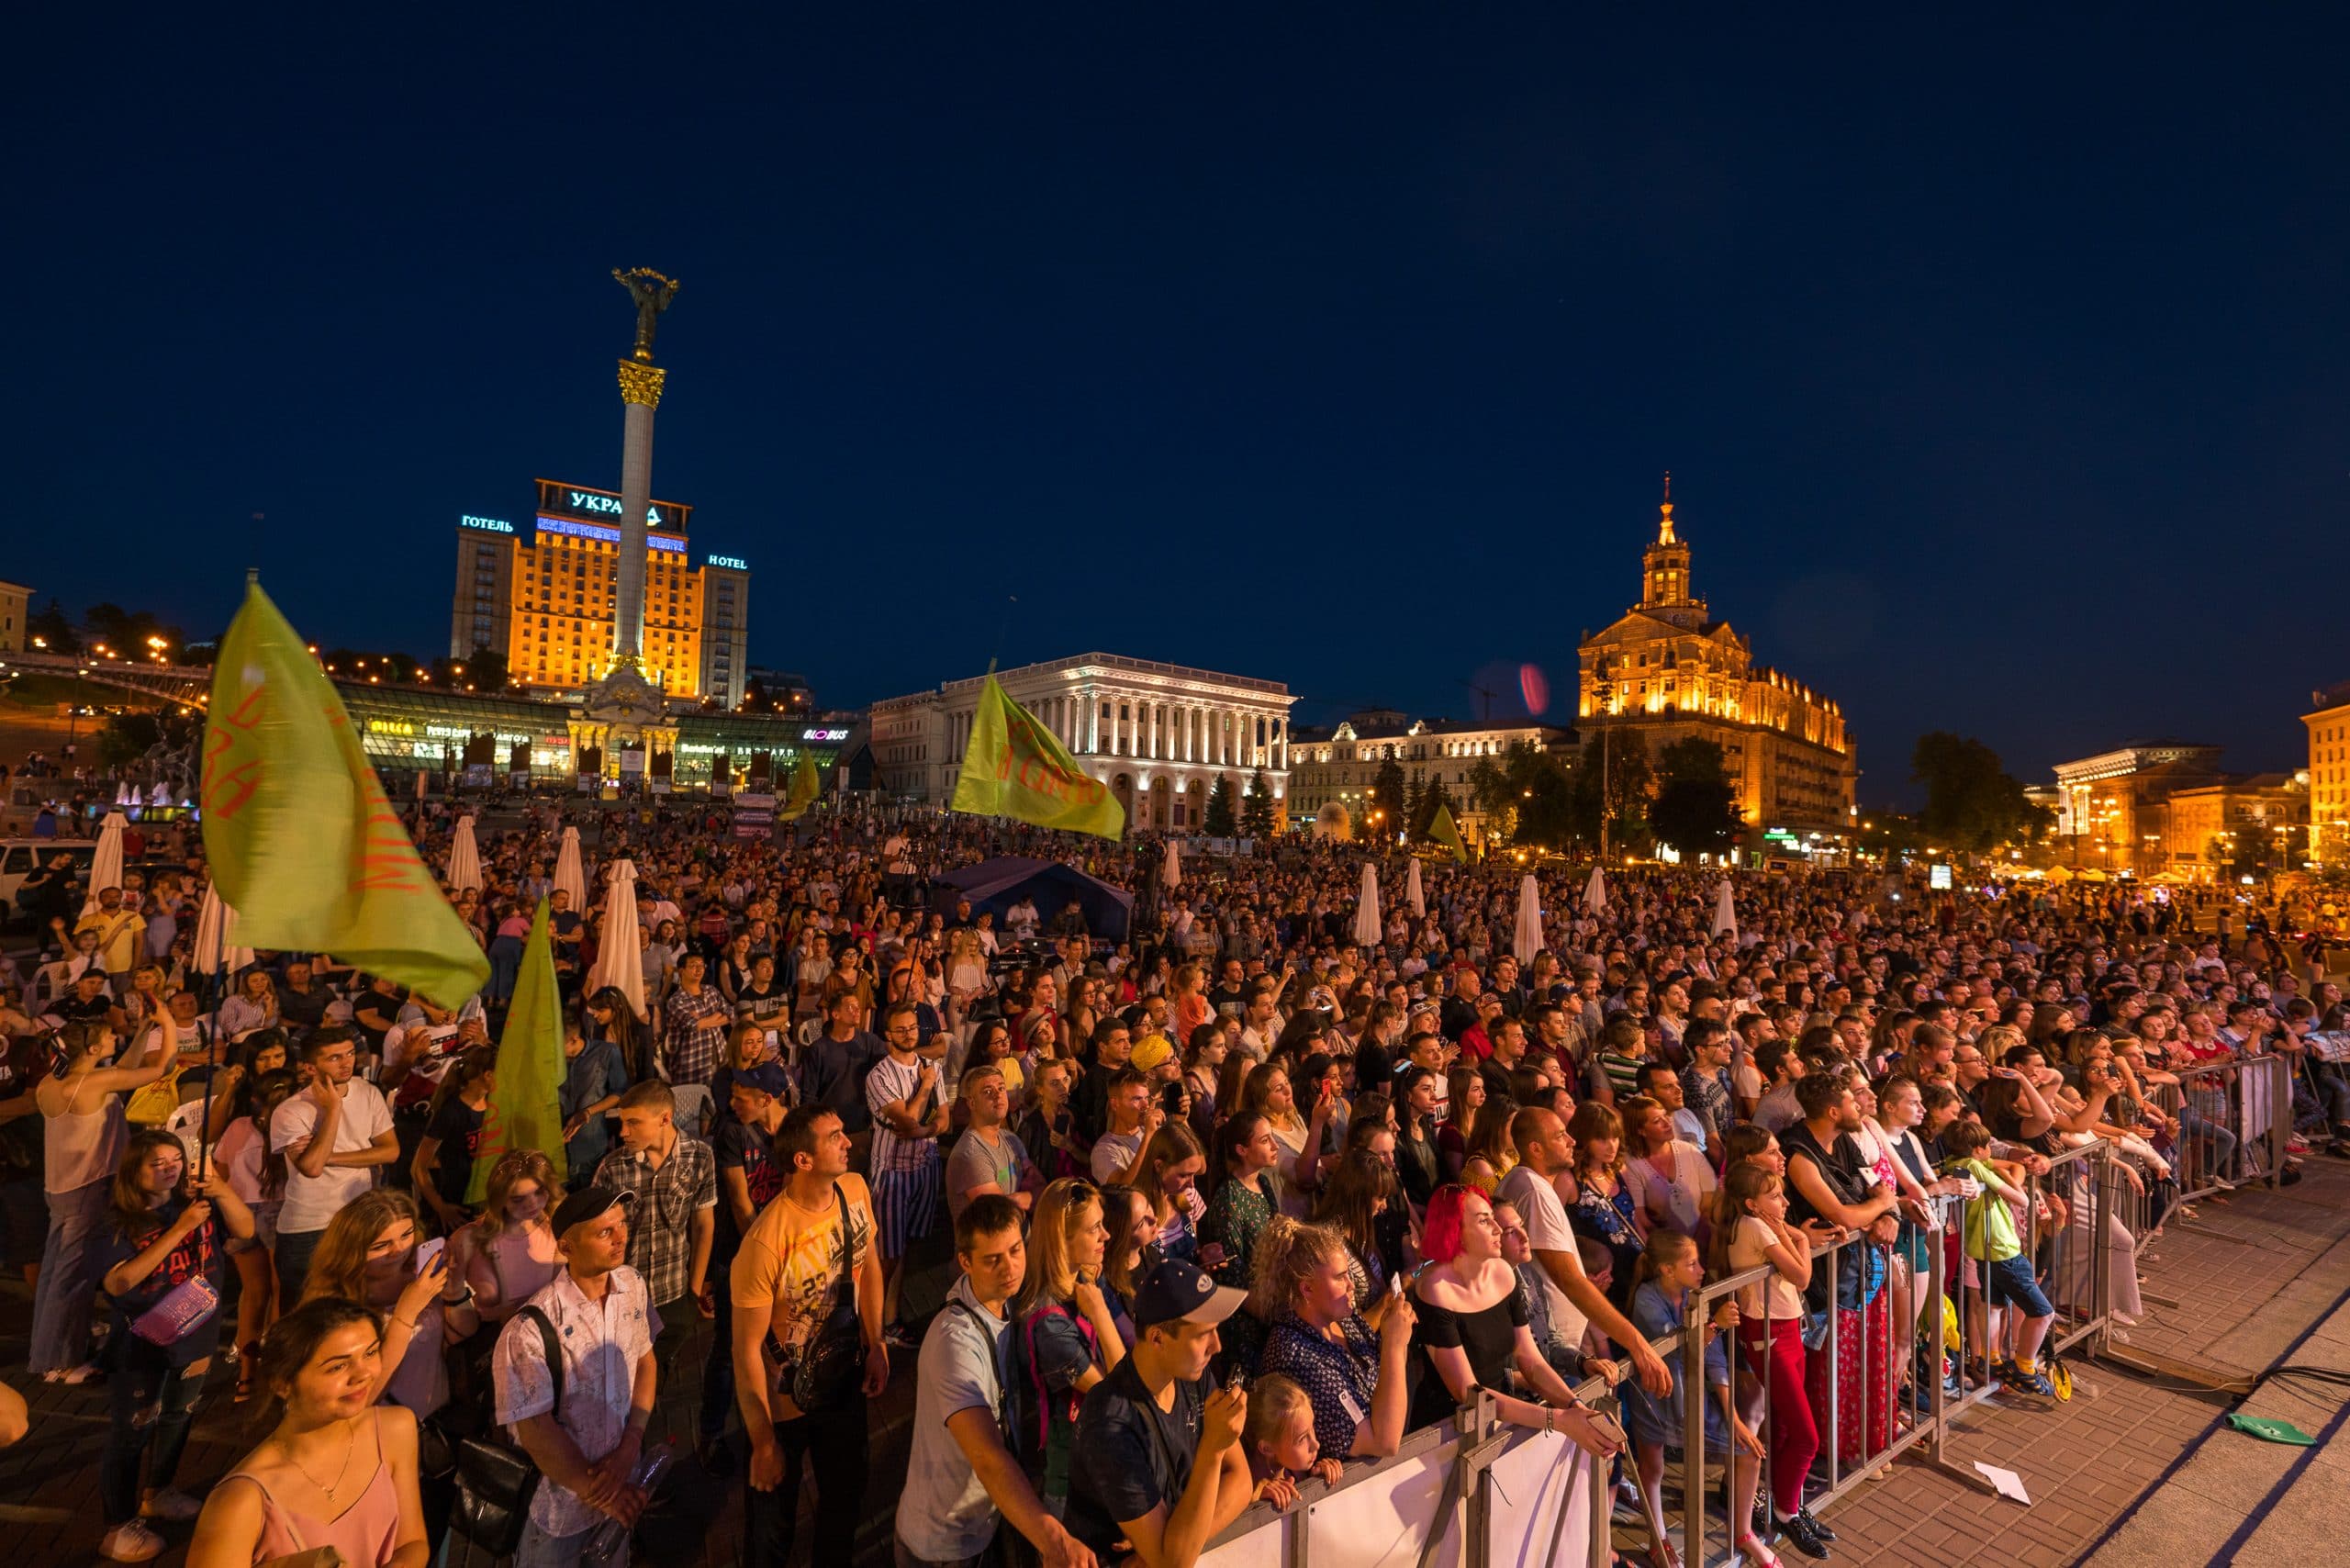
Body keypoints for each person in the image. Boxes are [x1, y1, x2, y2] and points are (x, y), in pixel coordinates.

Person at [894, 1193, 1099, 1568]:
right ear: (965, 1262)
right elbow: (987, 1456)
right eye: (992, 1260)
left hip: (981, 1522)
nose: (1010, 1267)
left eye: (1016, 1250)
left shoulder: (1003, 1301)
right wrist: (1054, 1540)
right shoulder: (955, 1345)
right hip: (943, 1546)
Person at [732, 1106, 888, 1568]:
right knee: (772, 1528)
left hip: (843, 1380)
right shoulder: (765, 1242)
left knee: (844, 1499)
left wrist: (876, 1342)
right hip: (785, 1403)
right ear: (803, 1160)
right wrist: (763, 1440)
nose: (848, 1142)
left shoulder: (854, 1190)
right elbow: (745, 1350)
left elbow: (869, 1266)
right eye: (834, 1137)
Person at [94, 1128, 255, 1562]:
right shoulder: (118, 1220)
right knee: (133, 1430)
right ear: (134, 1170)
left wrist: (220, 1190)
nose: (170, 1168)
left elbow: (245, 1229)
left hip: (196, 1331)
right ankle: (118, 1525)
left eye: (176, 1159)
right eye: (157, 1163)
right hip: (142, 1342)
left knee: (179, 1414)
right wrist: (180, 1229)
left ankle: (159, 1491)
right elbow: (120, 1282)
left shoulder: (198, 1203)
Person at [187, 1298, 431, 1568]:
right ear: (283, 1385)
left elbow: (413, 1543)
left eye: (370, 1353)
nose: (363, 1374)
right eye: (337, 1366)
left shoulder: (394, 1429)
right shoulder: (240, 1500)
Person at [493, 1184, 661, 1567]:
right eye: (605, 1232)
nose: (621, 1237)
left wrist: (630, 1446)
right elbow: (536, 1431)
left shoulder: (633, 1285)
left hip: (622, 1486)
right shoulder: (530, 1329)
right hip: (561, 1514)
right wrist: (601, 1492)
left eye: (622, 1224)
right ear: (567, 1247)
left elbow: (646, 1362)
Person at [1405, 1185, 1628, 1456]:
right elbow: (1466, 1391)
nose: (1497, 1229)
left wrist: (1576, 1408)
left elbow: (1531, 1360)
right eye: (1484, 1221)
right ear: (1455, 1230)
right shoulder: (1435, 1289)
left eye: (1493, 1218)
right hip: (1446, 1435)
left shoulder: (1503, 1273)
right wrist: (1558, 1419)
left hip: (1499, 1420)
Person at [1065, 1257, 1257, 1568]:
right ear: (1157, 1338)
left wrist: (1178, 1544)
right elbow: (1174, 1563)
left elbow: (1241, 1480)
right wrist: (1212, 1449)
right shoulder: (1110, 1422)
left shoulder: (1192, 1374)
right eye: (1203, 1334)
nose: (1217, 1346)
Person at [1493, 1107, 1673, 1396]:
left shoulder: (1528, 1183)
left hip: (1555, 1352)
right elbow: (1569, 1280)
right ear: (1536, 1148)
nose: (1572, 1141)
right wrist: (1637, 1344)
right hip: (1546, 1359)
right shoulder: (1534, 1190)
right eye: (1560, 1136)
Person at [1618, 1229, 1768, 1568]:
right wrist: (1714, 1326)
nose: (1701, 1270)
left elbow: (1714, 1360)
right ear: (1667, 1270)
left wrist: (1734, 1419)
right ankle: (1658, 1540)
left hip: (1686, 1397)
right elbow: (1676, 1349)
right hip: (1653, 1396)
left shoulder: (1691, 1296)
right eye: (1692, 1264)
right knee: (1652, 1468)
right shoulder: (1647, 1299)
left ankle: (1743, 1532)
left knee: (1748, 1452)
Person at [30, 1019, 169, 1380]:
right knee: (73, 1279)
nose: (113, 1036)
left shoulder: (52, 1082)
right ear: (92, 1049)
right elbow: (160, 1068)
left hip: (60, 1188)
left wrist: (144, 1031)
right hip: (87, 1189)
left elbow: (123, 1068)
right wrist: (167, 1024)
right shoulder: (91, 1083)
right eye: (107, 1035)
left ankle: (47, 1354)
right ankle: (61, 1363)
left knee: (54, 1275)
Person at [1714, 1162, 1830, 1560]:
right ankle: (1786, 1511)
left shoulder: (1764, 1224)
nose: (1784, 1202)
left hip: (1787, 1329)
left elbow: (1797, 1244)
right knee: (1806, 1435)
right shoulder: (1753, 1226)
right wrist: (1796, 1237)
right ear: (1751, 1203)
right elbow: (1801, 1276)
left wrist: (1789, 1231)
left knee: (1782, 1427)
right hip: (1769, 1336)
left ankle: (1788, 1503)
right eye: (1775, 1196)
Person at [1011, 1177, 1129, 1518]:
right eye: (1094, 1229)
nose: (1107, 1235)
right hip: (1071, 1485)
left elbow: (1129, 1340)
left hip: (1101, 1460)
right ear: (1062, 1238)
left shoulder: (1086, 1279)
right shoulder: (1049, 1324)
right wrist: (1100, 1312)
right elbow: (1121, 1388)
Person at [1253, 1219, 1416, 1468]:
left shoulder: (1342, 1319)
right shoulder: (1296, 1356)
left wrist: (1397, 1336)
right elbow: (1383, 1442)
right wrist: (1394, 1344)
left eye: (1348, 1274)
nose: (1351, 1285)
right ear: (1307, 1289)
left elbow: (1388, 1386)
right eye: (1340, 1277)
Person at [594, 1080, 717, 1398]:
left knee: (657, 1379)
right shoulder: (613, 1167)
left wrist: (693, 1292)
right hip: (624, 1299)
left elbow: (703, 1225)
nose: (623, 1132)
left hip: (674, 1294)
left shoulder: (699, 1157)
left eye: (633, 1122)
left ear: (665, 1118)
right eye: (622, 1122)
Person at [702, 1060, 791, 1469]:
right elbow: (740, 1204)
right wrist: (765, 1257)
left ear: (766, 1099)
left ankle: (778, 1422)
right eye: (733, 1095)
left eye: (742, 1097)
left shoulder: (793, 1128)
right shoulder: (732, 1132)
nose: (733, 1102)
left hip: (783, 1252)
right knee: (730, 1346)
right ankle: (711, 1434)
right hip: (738, 1253)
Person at [272, 1025, 399, 1308]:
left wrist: (329, 1156)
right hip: (309, 1227)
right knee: (305, 1316)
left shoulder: (367, 1092)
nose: (346, 1063)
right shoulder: (290, 1110)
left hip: (357, 1221)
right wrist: (333, 1109)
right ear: (310, 1067)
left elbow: (391, 1151)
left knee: (354, 1309)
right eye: (334, 1058)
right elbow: (312, 1168)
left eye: (350, 1053)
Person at [867, 999, 951, 1343]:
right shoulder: (879, 1076)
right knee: (887, 1255)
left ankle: (891, 1318)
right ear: (888, 1034)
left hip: (925, 1166)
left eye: (913, 1028)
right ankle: (872, 1326)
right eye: (901, 1029)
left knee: (909, 1247)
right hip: (892, 1172)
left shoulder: (931, 1065)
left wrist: (923, 1131)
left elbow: (943, 1120)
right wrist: (926, 1086)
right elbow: (907, 1118)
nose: (909, 1034)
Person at [410, 1047, 494, 1235]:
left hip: (486, 1207)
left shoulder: (493, 1104)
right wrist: (441, 1207)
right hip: (459, 1209)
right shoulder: (451, 1112)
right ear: (488, 1075)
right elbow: (418, 1167)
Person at [946, 1062, 1035, 1218]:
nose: (998, 1095)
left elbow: (1038, 1183)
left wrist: (1022, 1199)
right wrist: (1030, 1198)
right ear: (972, 1103)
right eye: (988, 1091)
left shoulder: (1011, 1140)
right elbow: (1002, 1215)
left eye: (1001, 1088)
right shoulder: (970, 1154)